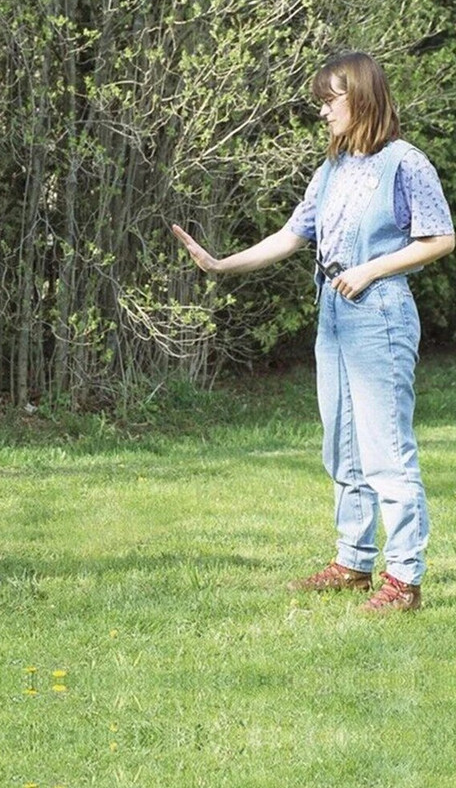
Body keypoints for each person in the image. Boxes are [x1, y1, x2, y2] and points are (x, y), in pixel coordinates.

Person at [172, 51, 454, 612]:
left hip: (380, 315)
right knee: (341, 443)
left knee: (385, 449)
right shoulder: (331, 169)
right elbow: (291, 235)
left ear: (363, 98)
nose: (323, 113)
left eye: (330, 101)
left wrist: (371, 269)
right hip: (334, 314)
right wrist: (222, 265)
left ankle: (404, 580)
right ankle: (353, 561)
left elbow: (441, 238)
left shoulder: (406, 163)